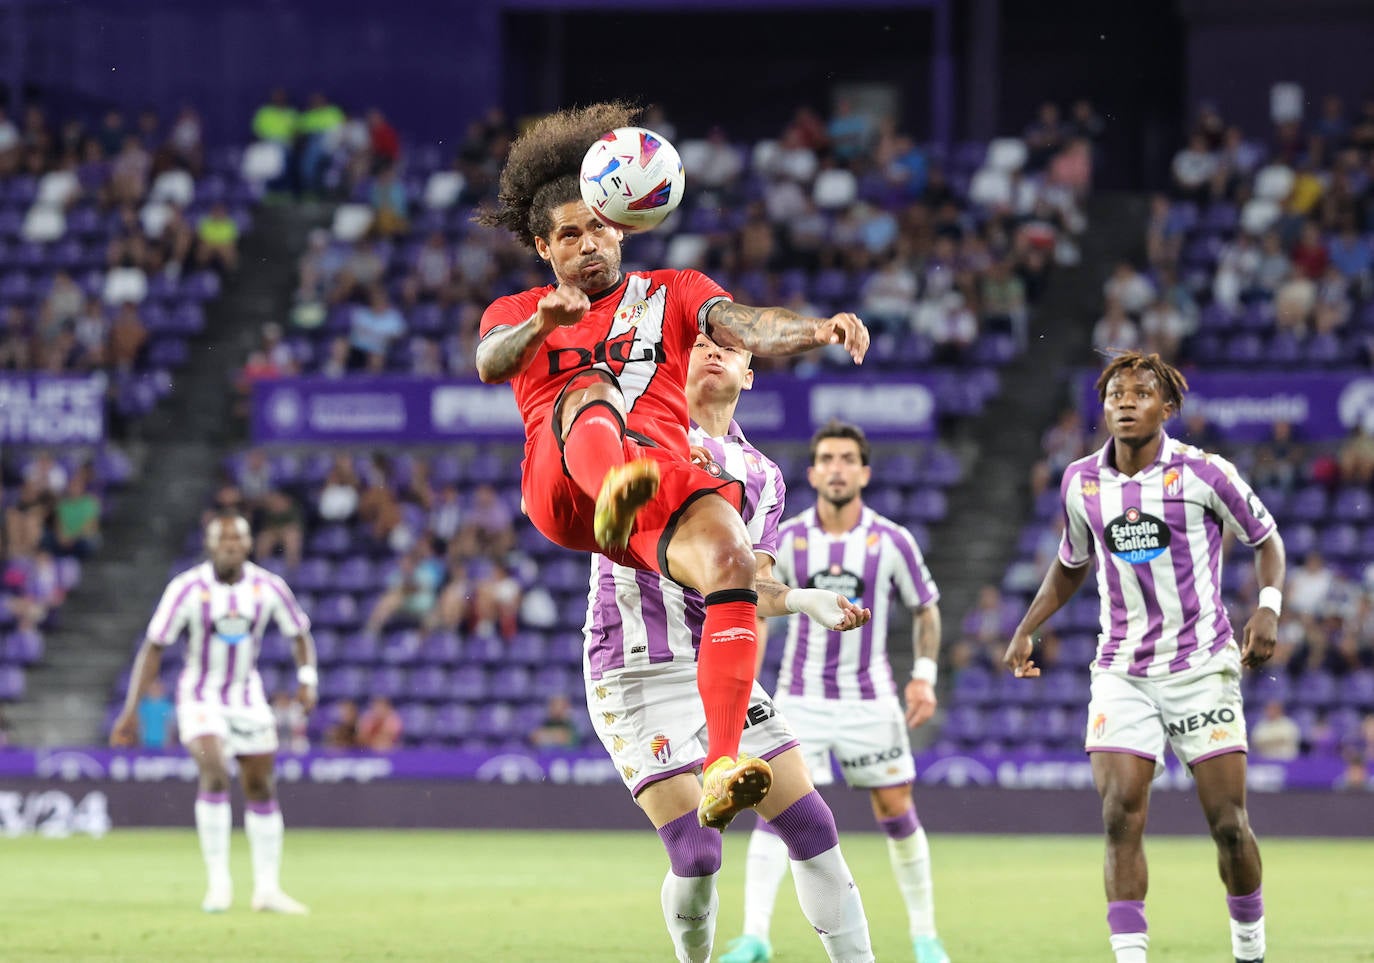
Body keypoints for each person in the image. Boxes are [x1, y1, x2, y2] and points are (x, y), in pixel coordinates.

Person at [477, 102, 870, 830]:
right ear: (543, 247)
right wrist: (545, 323)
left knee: (730, 558)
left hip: (656, 486)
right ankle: (613, 485)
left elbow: (745, 322)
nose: (589, 245)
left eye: (598, 226)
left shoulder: (674, 292)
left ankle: (723, 762)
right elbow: (488, 361)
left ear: (619, 222)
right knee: (590, 385)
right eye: (570, 235)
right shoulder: (521, 306)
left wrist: (816, 328)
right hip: (565, 488)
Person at [585, 333, 875, 962]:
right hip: (635, 669)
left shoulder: (764, 476)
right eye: (700, 343)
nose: (715, 353)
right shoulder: (633, 431)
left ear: (750, 375)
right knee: (698, 853)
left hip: (717, 658)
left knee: (812, 825)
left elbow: (752, 587)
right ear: (674, 363)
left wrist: (801, 599)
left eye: (733, 349)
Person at [1003, 351, 1285, 963]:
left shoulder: (1206, 473)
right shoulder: (1080, 480)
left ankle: (1250, 952)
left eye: (1141, 392)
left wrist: (1267, 607)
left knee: (1229, 825)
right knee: (1118, 815)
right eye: (1115, 394)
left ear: (1168, 407)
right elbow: (1071, 564)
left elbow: (1266, 539)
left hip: (1200, 667)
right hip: (1121, 672)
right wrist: (1027, 627)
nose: (1126, 402)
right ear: (1102, 409)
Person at [723, 420, 950, 963]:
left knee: (896, 807)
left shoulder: (892, 539)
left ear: (864, 472)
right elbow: (759, 603)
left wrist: (924, 674)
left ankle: (925, 936)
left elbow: (925, 608)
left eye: (848, 458)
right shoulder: (792, 537)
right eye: (826, 458)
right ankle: (755, 936)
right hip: (799, 699)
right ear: (813, 472)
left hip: (870, 698)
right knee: (775, 805)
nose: (837, 467)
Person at [110, 514, 318, 915]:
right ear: (209, 545)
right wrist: (131, 709)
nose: (230, 545)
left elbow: (299, 633)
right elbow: (154, 647)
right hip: (200, 696)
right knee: (215, 770)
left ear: (248, 543)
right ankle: (219, 883)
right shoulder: (186, 588)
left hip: (247, 697)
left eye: (237, 538)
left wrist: (307, 679)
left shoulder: (268, 587)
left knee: (260, 786)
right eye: (222, 539)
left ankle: (267, 890)